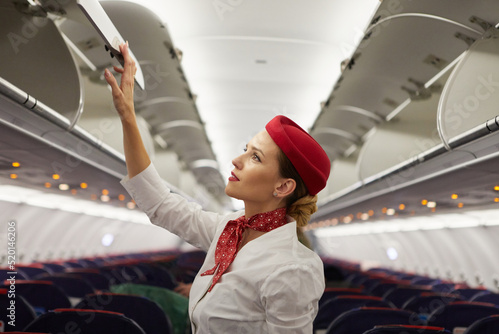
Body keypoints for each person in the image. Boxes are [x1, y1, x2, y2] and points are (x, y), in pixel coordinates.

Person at [104, 42, 331, 333]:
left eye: (255, 157)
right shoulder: (228, 229)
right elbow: (160, 204)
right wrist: (128, 116)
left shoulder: (294, 269)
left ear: (283, 186)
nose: (236, 161)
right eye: (244, 149)